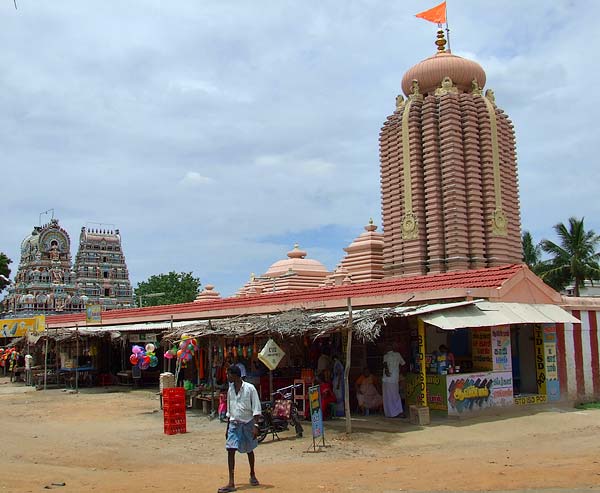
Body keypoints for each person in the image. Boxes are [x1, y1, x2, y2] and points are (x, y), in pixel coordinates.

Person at [219, 365, 261, 493]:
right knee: (230, 450)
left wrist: (255, 426)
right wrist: (227, 427)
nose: (227, 376)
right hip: (233, 424)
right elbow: (230, 409)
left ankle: (252, 474)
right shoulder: (230, 389)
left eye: (228, 374)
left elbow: (256, 409)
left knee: (249, 449)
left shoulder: (250, 388)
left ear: (235, 375)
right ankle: (231, 482)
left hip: (248, 423)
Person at [382, 343, 406, 418]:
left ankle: (391, 413)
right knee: (394, 395)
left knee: (388, 396)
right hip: (393, 379)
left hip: (387, 379)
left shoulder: (386, 356)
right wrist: (400, 373)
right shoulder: (396, 355)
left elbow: (385, 365)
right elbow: (403, 364)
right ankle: (396, 412)